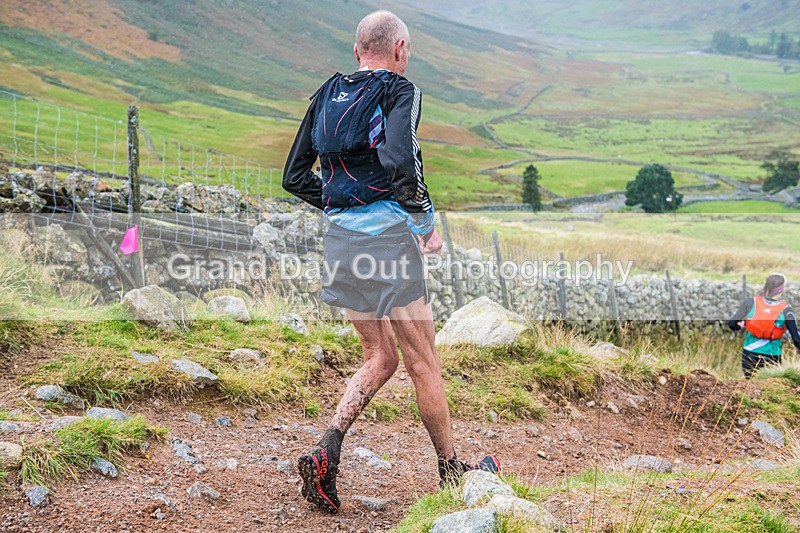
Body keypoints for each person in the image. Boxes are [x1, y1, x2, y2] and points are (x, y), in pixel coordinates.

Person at [282, 10, 498, 514]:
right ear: (399, 49)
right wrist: (424, 226)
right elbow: (402, 159)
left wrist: (341, 207)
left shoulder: (325, 94)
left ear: (359, 50)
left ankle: (325, 451)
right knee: (424, 363)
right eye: (409, 50)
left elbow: (295, 176)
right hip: (389, 248)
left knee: (380, 357)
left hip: (339, 246)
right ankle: (451, 474)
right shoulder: (400, 92)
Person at [728, 273, 800, 379]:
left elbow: (732, 324)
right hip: (772, 357)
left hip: (749, 354)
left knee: (750, 387)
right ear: (781, 289)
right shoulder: (786, 311)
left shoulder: (750, 302)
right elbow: (796, 339)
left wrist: (740, 327)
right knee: (768, 389)